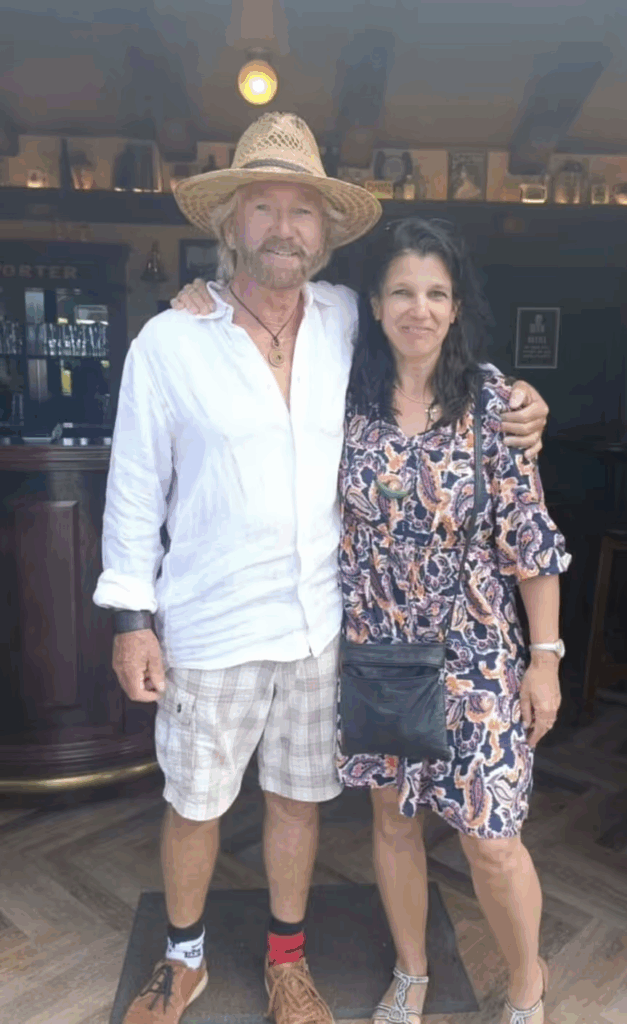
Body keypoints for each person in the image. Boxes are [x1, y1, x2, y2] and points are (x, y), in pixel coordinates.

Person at [94, 111, 549, 1024]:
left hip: (320, 625)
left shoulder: (347, 320)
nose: (282, 227)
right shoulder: (170, 342)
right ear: (230, 222)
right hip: (211, 622)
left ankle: (287, 962)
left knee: (297, 802)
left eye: (300, 210)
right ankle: (183, 961)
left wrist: (522, 402)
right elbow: (133, 491)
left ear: (324, 232)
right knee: (194, 803)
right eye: (262, 206)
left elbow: (437, 356)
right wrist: (131, 621)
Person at [337, 218, 570, 1024]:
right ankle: (411, 971)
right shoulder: (343, 399)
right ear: (373, 303)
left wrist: (545, 659)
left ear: (456, 306)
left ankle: (527, 985)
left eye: (436, 293)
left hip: (475, 656)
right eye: (401, 291)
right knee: (392, 820)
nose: (419, 308)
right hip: (377, 647)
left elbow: (530, 539)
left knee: (491, 839)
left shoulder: (495, 404)